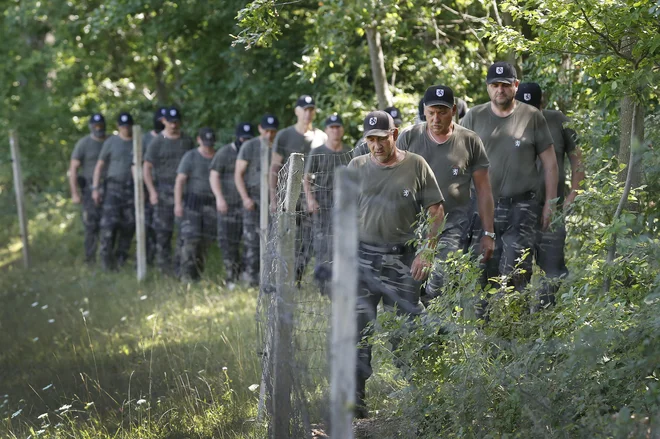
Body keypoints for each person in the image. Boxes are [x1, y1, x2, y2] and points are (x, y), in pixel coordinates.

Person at [348, 110, 445, 418]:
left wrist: (427, 252)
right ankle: (357, 404)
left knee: (406, 331)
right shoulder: (357, 166)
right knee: (358, 331)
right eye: (371, 140)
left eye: (382, 138)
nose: (376, 145)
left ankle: (418, 401)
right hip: (363, 257)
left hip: (403, 259)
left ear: (395, 133)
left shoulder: (416, 165)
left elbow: (437, 211)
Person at [461, 61, 559, 316]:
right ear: (487, 88)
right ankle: (485, 344)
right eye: (495, 85)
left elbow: (550, 164)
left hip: (522, 208)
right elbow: (460, 162)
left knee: (518, 273)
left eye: (505, 85)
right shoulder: (473, 116)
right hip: (483, 208)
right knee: (483, 274)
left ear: (515, 85)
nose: (500, 90)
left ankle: (518, 341)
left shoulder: (531, 116)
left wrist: (550, 203)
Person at [397, 85, 494, 303]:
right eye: (431, 112)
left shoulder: (469, 140)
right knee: (409, 285)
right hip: (414, 224)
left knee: (439, 280)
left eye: (442, 112)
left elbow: (484, 190)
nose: (436, 118)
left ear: (453, 110)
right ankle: (422, 328)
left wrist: (489, 233)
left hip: (453, 224)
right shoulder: (409, 138)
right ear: (424, 111)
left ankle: (437, 325)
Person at [515, 82, 585, 308]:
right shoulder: (507, 123)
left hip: (552, 208)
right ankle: (520, 324)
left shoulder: (558, 121)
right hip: (518, 210)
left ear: (542, 105)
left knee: (552, 270)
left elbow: (578, 159)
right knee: (517, 271)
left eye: (533, 108)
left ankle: (548, 318)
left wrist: (573, 194)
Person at [270, 95, 327, 284]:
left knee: (310, 241)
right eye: (304, 109)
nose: (308, 113)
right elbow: (274, 168)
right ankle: (284, 280)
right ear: (296, 111)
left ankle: (297, 279)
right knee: (289, 241)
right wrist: (273, 197)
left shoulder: (321, 137)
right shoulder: (284, 135)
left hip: (313, 199)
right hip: (288, 198)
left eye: (311, 109)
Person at [303, 114, 352, 295]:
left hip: (345, 205)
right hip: (322, 204)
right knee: (322, 245)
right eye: (331, 127)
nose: (335, 130)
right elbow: (306, 179)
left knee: (344, 245)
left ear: (342, 129)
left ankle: (342, 283)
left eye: (338, 127)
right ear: (326, 130)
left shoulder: (349, 152)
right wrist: (310, 199)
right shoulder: (317, 152)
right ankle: (323, 286)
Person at [144, 106, 195, 273]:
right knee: (162, 232)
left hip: (185, 192)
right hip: (163, 190)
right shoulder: (157, 142)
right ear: (164, 121)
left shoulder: (187, 141)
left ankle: (181, 268)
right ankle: (163, 269)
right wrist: (152, 191)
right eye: (171, 122)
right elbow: (147, 168)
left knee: (185, 232)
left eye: (176, 122)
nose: (174, 125)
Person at [235, 115, 279, 286]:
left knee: (273, 240)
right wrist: (245, 198)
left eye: (273, 131)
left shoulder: (277, 147)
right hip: (253, 197)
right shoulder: (249, 146)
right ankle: (250, 278)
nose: (269, 134)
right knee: (251, 240)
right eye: (266, 130)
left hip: (273, 198)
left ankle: (270, 279)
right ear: (260, 129)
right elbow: (238, 174)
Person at [211, 122, 255, 283]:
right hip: (228, 205)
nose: (245, 142)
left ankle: (247, 275)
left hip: (248, 205)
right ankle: (231, 276)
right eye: (243, 139)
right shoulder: (224, 153)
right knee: (228, 242)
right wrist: (219, 198)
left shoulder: (254, 152)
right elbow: (214, 175)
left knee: (250, 241)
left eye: (248, 139)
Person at [91, 112, 136, 271]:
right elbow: (100, 166)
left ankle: (121, 258)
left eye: (128, 126)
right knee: (108, 225)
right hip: (113, 188)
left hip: (131, 189)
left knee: (129, 225)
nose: (126, 129)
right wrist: (95, 188)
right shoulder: (111, 142)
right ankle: (105, 261)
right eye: (123, 126)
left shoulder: (138, 142)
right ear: (118, 126)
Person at [174, 128, 218, 281]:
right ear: (199, 140)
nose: (208, 146)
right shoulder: (191, 156)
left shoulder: (217, 157)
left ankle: (197, 274)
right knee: (190, 240)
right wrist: (178, 204)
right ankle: (185, 275)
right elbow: (180, 180)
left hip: (211, 205)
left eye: (210, 143)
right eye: (205, 143)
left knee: (205, 242)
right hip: (193, 203)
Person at [69, 113, 107, 264]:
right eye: (96, 126)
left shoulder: (111, 141)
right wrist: (75, 193)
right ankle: (90, 259)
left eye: (101, 126)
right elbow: (73, 169)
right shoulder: (83, 143)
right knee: (91, 225)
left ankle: (108, 257)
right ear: (91, 127)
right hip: (89, 188)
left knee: (110, 223)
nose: (99, 129)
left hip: (111, 187)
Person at [142, 107, 167, 266]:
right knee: (147, 224)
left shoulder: (170, 138)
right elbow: (139, 165)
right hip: (147, 187)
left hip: (165, 188)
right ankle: (147, 258)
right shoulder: (145, 139)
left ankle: (162, 259)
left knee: (162, 227)